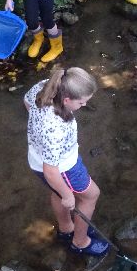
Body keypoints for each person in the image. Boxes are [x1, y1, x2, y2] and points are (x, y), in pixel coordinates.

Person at [24, 67, 108, 256]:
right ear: (67, 100)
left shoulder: (46, 87)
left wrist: (36, 126)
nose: (84, 105)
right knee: (90, 195)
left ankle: (66, 228)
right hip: (64, 169)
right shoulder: (55, 129)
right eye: (82, 102)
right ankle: (80, 241)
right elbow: (51, 171)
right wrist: (68, 195)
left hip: (36, 158)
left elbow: (27, 102)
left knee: (57, 193)